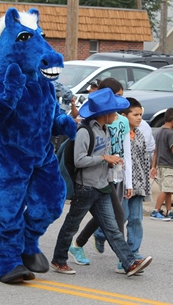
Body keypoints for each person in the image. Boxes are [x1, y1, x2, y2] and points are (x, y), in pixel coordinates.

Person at [50, 88, 153, 277]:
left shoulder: (105, 130)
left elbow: (101, 157)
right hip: (86, 187)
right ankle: (59, 260)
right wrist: (105, 158)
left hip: (102, 186)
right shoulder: (85, 131)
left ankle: (129, 262)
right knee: (72, 225)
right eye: (114, 111)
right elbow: (80, 160)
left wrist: (112, 162)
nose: (117, 114)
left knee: (112, 227)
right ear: (104, 114)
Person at [69, 78, 132, 265]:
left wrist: (127, 179)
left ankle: (78, 244)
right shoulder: (92, 122)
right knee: (116, 214)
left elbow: (126, 149)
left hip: (114, 171)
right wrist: (106, 159)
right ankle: (125, 260)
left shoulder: (121, 120)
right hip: (92, 175)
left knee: (105, 215)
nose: (119, 101)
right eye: (117, 96)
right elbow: (81, 155)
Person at [114, 97, 150, 272]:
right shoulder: (119, 135)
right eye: (135, 114)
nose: (139, 118)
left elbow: (145, 162)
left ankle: (133, 253)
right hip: (123, 185)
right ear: (123, 115)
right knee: (122, 218)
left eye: (140, 114)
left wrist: (146, 188)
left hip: (138, 186)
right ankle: (101, 235)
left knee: (136, 220)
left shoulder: (141, 135)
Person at [150, 108, 173, 220]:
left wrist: (153, 166)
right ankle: (156, 211)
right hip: (169, 166)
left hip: (161, 166)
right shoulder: (171, 134)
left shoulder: (160, 132)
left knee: (168, 189)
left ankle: (169, 211)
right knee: (166, 189)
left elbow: (156, 150)